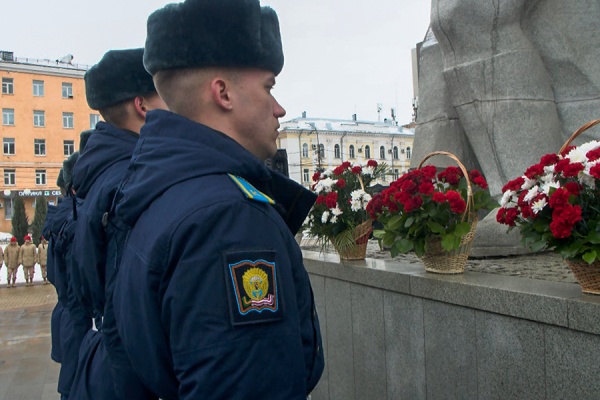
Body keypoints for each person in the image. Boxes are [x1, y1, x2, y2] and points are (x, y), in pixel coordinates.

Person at [112, 1, 324, 398]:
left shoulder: (164, 191)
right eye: (268, 88)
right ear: (222, 93)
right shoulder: (229, 221)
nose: (280, 109)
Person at [69, 48, 165, 400]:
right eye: (165, 95)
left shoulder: (103, 169)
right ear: (143, 106)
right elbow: (126, 320)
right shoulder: (131, 178)